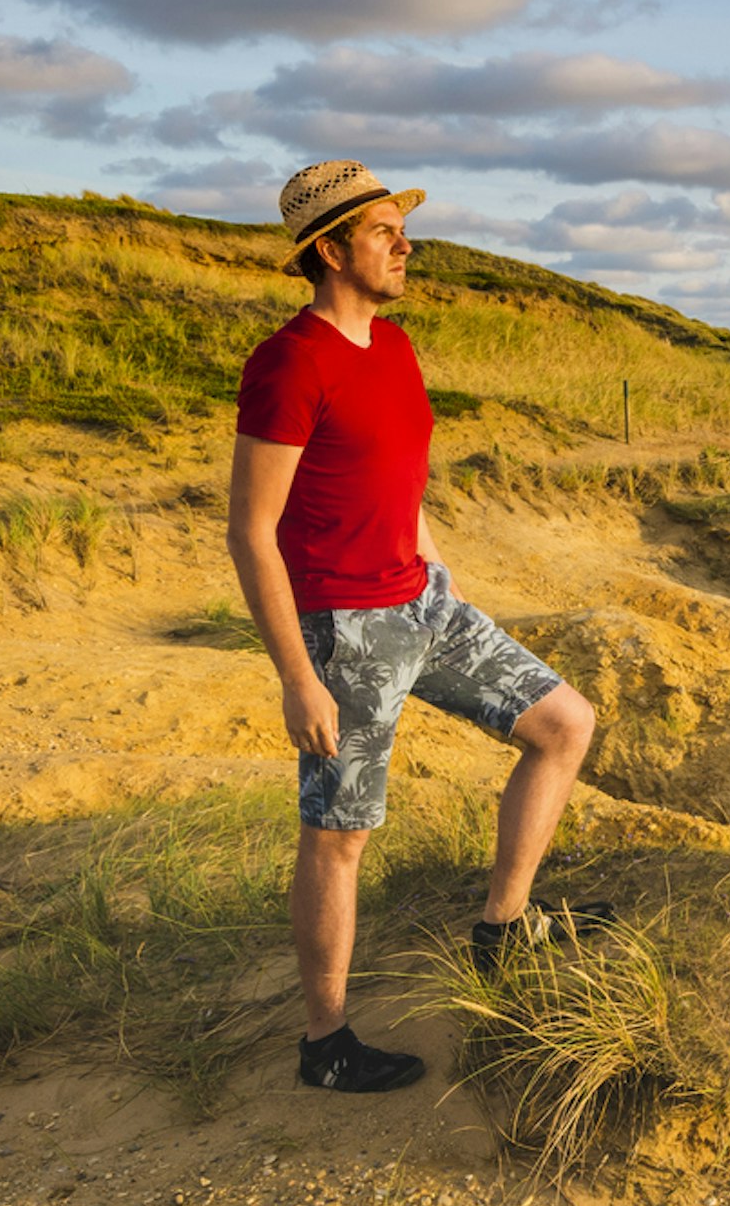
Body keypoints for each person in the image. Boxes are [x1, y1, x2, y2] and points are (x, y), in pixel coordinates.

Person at [228, 160, 601, 1094]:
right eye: (384, 231)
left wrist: (434, 562)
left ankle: (501, 930)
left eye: (403, 228)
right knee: (340, 834)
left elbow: (396, 470)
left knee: (565, 724)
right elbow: (250, 530)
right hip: (346, 630)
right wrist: (296, 676)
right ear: (327, 250)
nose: (405, 244)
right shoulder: (289, 362)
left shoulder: (392, 349)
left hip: (424, 604)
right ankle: (326, 1044)